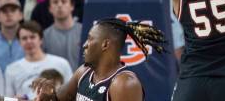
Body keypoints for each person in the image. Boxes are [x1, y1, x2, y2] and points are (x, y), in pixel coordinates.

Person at [30, 18, 164, 101]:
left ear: (105, 44)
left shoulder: (124, 84)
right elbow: (59, 98)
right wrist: (49, 93)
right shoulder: (84, 72)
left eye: (90, 39)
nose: (84, 45)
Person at [4, 21, 72, 99]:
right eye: (24, 38)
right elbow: (8, 98)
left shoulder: (62, 63)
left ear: (41, 39)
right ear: (19, 42)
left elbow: (71, 94)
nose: (29, 41)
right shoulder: (11, 69)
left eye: (32, 37)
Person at [41, 0, 82, 71]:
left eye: (64, 1)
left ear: (72, 6)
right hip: (56, 82)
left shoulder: (85, 31)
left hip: (82, 81)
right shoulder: (44, 36)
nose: (59, 5)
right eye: (55, 2)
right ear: (50, 8)